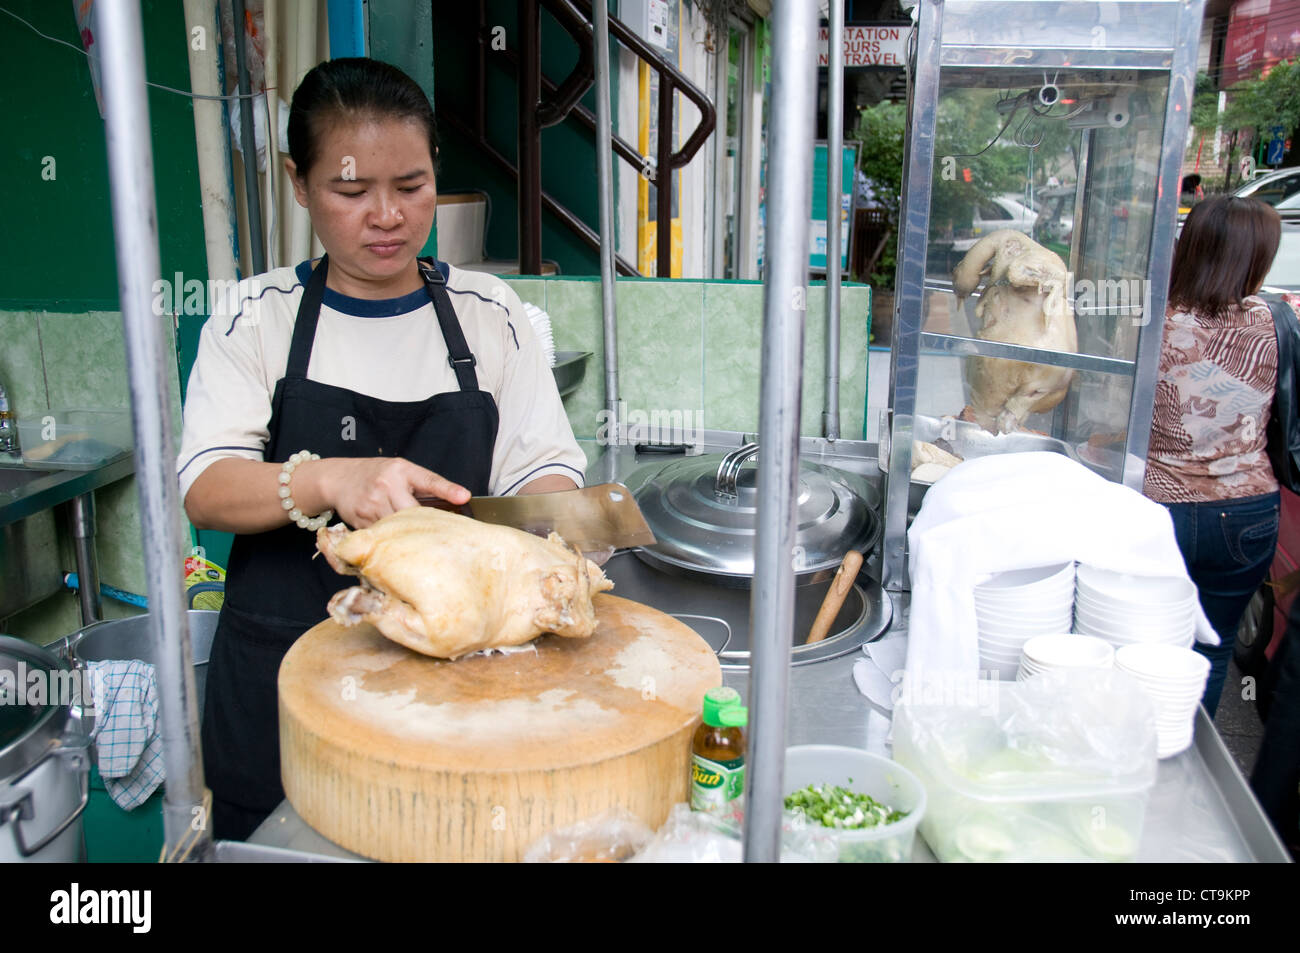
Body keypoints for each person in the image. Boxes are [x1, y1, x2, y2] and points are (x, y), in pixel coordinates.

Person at [177, 58, 586, 839]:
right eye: (352, 191)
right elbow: (208, 486)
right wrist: (335, 478)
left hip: (458, 694)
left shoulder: (489, 314)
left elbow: (548, 469)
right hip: (282, 692)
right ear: (300, 183)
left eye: (411, 185)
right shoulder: (255, 317)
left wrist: (516, 542)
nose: (388, 216)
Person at [1144, 195, 1283, 717]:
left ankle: (1137, 744)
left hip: (1159, 511)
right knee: (1214, 645)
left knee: (1142, 638)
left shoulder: (1153, 320)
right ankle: (1186, 747)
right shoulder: (1278, 322)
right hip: (1248, 514)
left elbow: (1110, 415)